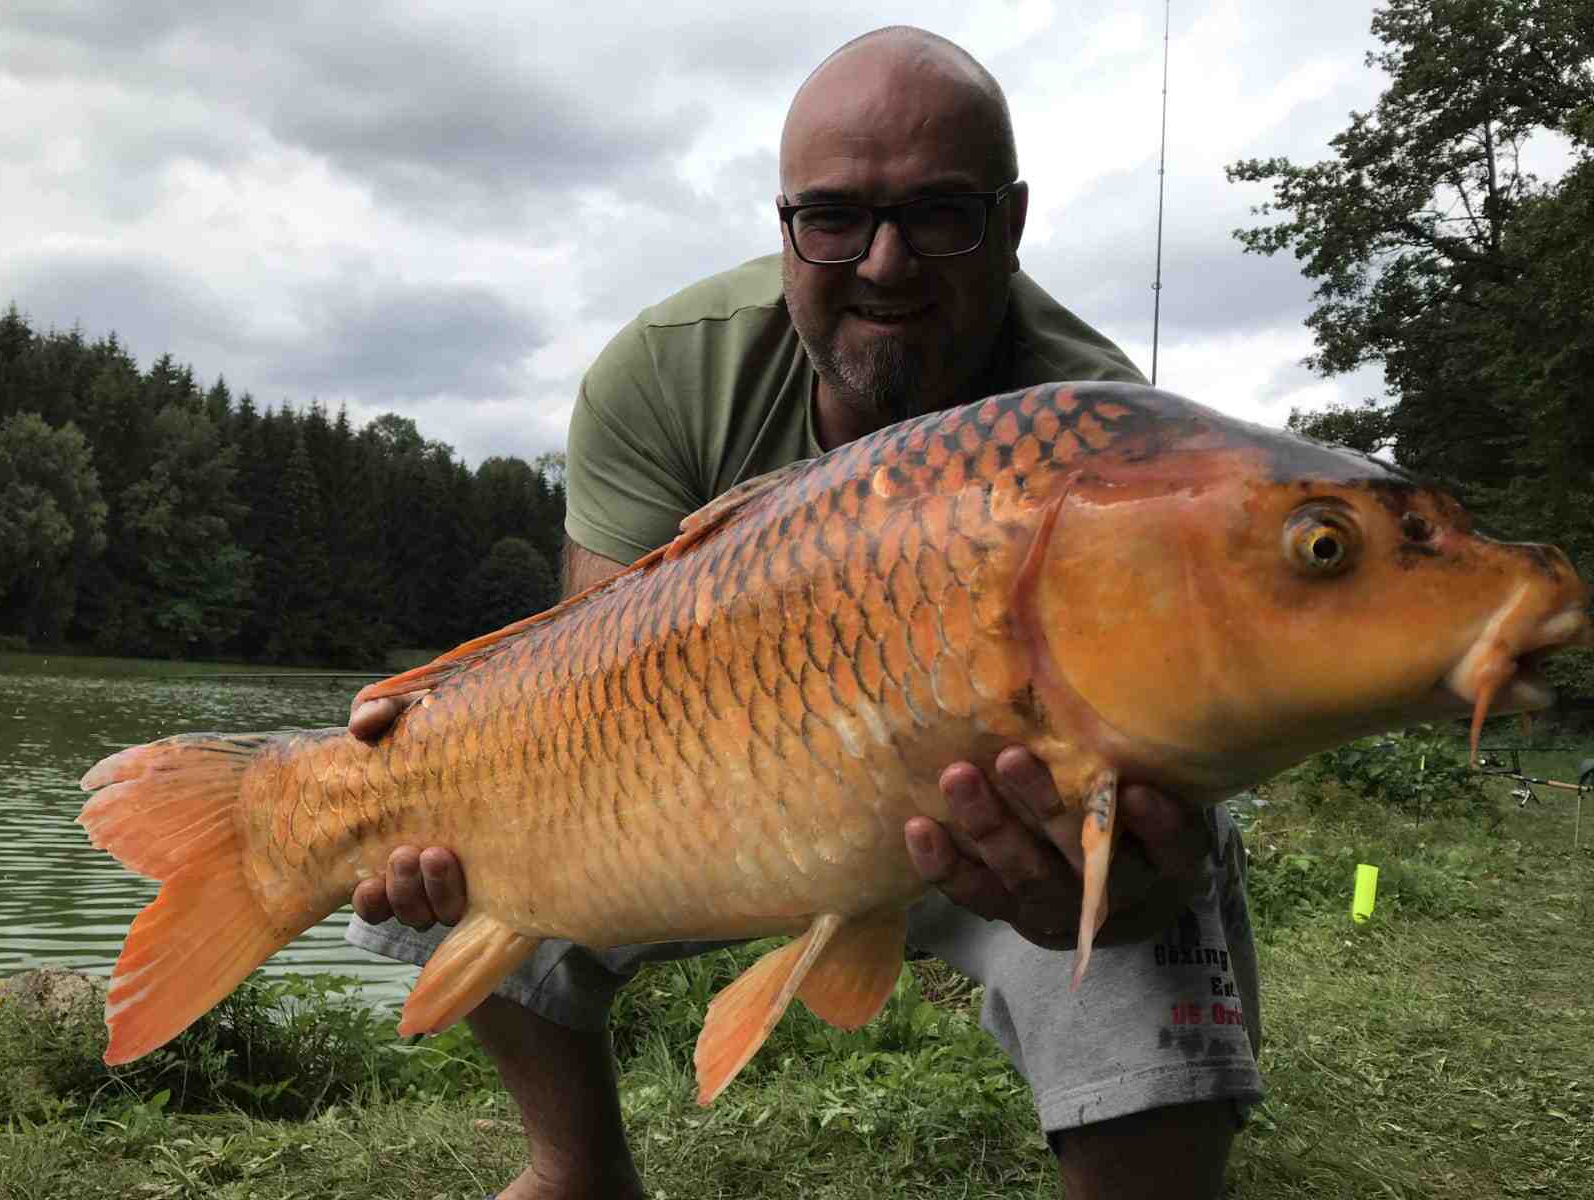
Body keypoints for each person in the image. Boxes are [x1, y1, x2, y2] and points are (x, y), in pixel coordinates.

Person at [346, 26, 1262, 1200]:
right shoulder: (665, 372)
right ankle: (578, 1171)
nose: (884, 263)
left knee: (1158, 876)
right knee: (446, 824)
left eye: (939, 215)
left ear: (1012, 223)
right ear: (785, 226)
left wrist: (1133, 877)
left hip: (1004, 817)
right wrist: (439, 755)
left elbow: (1170, 741)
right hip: (716, 798)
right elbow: (586, 693)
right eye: (832, 218)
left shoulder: (1112, 443)